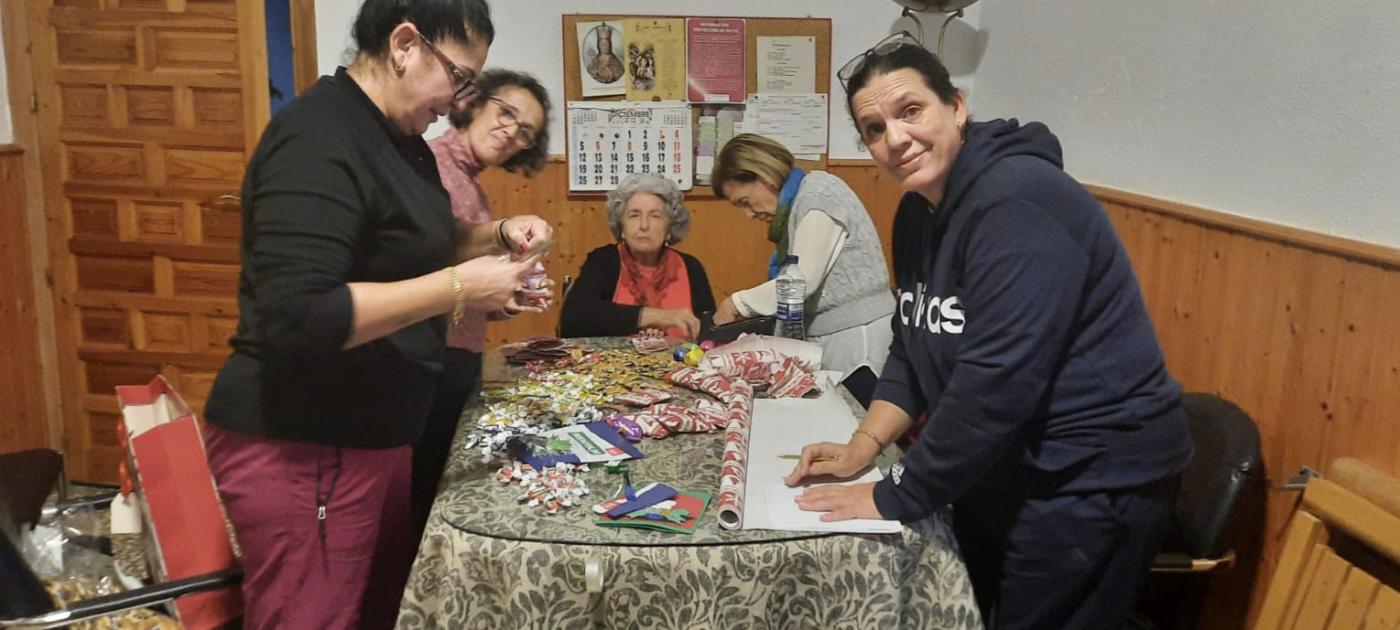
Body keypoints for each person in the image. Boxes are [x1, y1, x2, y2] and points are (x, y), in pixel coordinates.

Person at [783, 34, 1192, 629]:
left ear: (956, 106)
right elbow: (913, 342)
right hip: (1003, 466)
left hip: (1091, 474)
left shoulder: (1017, 198)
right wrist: (863, 445)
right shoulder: (917, 210)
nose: (895, 138)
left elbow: (996, 381)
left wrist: (894, 492)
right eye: (874, 129)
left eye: (910, 110)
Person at [200, 2, 554, 628]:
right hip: (306, 441)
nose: (458, 101)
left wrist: (497, 233)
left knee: (376, 611)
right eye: (459, 77)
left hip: (375, 436)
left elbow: (423, 241)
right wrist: (459, 288)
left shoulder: (401, 140)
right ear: (404, 43)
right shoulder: (320, 135)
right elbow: (301, 315)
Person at [414, 69, 552, 537]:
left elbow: (464, 290)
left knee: (437, 473)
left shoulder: (469, 183)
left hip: (455, 353)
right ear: (474, 104)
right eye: (506, 113)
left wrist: (506, 302)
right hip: (430, 355)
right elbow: (427, 266)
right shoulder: (432, 164)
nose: (511, 131)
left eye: (525, 131)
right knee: (426, 484)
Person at [711, 133, 896, 395]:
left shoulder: (820, 192)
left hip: (858, 346)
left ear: (765, 176)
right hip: (833, 341)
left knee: (860, 418)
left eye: (745, 201)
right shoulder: (797, 207)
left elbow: (800, 281)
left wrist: (737, 303)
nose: (749, 214)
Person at [559, 173, 716, 339]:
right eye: (634, 215)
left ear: (670, 228)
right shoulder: (604, 261)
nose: (644, 225)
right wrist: (655, 317)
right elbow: (573, 318)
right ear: (621, 227)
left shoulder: (690, 267)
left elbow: (710, 333)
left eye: (655, 216)